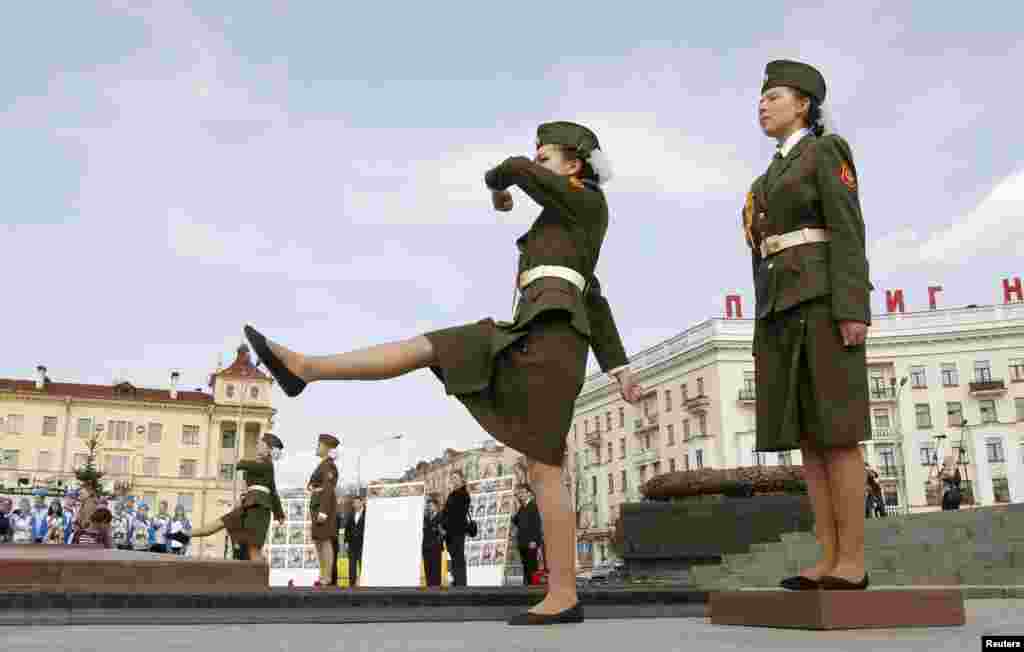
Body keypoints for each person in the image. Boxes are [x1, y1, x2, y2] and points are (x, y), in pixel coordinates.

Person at [243, 120, 642, 625]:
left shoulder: (588, 204)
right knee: (431, 346)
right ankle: (305, 368)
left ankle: (563, 593)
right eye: (538, 158)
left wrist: (502, 187)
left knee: (544, 468)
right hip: (522, 334)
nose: (536, 163)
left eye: (547, 158)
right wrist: (621, 369)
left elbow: (519, 175)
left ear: (574, 166)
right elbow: (597, 300)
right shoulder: (559, 223)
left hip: (555, 343)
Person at [744, 60, 872, 591]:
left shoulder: (826, 151)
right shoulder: (764, 178)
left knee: (837, 433)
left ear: (803, 105)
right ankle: (827, 557)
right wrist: (760, 328)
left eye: (774, 96)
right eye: (761, 97)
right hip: (781, 310)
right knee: (809, 440)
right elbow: (760, 257)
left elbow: (847, 228)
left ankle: (853, 562)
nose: (763, 104)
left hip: (822, 302)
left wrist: (852, 307)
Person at [175, 433, 286, 562]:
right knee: (220, 523)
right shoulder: (260, 464)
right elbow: (258, 487)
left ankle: (260, 574)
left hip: (258, 509)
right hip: (247, 506)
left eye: (260, 444)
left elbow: (270, 489)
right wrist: (243, 497)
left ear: (269, 449)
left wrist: (279, 514)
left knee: (253, 549)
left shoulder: (267, 465)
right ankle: (185, 534)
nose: (257, 446)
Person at [308, 434, 340, 588]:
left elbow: (328, 489)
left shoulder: (329, 466)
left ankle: (326, 577)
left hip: (323, 507)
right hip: (317, 506)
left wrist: (323, 511)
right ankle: (322, 576)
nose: (317, 447)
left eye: (319, 445)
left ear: (327, 448)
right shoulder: (323, 464)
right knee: (319, 542)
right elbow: (314, 485)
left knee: (325, 541)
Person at [440, 470, 471, 588]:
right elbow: (446, 512)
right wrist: (443, 525)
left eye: (456, 478)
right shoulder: (452, 494)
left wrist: (446, 525)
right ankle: (457, 581)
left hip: (457, 531)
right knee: (454, 557)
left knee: (458, 557)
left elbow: (457, 514)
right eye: (452, 478)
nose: (454, 480)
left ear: (462, 479)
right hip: (450, 532)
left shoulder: (463, 494)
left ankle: (461, 584)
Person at [512, 485, 543, 585]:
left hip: (531, 543)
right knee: (526, 567)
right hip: (522, 543)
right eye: (519, 493)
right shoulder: (522, 508)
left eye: (522, 493)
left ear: (529, 493)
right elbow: (517, 521)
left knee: (532, 567)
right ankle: (527, 590)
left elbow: (536, 525)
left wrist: (534, 541)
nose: (520, 495)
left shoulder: (533, 506)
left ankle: (535, 589)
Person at [343, 495, 366, 588]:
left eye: (357, 502)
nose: (355, 504)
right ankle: (352, 585)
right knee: (351, 565)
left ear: (362, 502)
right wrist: (346, 542)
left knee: (362, 564)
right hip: (352, 544)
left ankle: (363, 583)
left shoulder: (367, 514)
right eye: (354, 503)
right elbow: (347, 529)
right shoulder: (351, 514)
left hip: (362, 544)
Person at [422, 493, 444, 587]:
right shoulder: (425, 518)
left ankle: (436, 589)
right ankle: (429, 589)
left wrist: (439, 532)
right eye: (428, 505)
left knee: (436, 570)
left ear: (436, 506)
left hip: (436, 547)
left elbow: (443, 532)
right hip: (426, 547)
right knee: (428, 570)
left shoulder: (441, 516)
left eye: (431, 505)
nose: (429, 507)